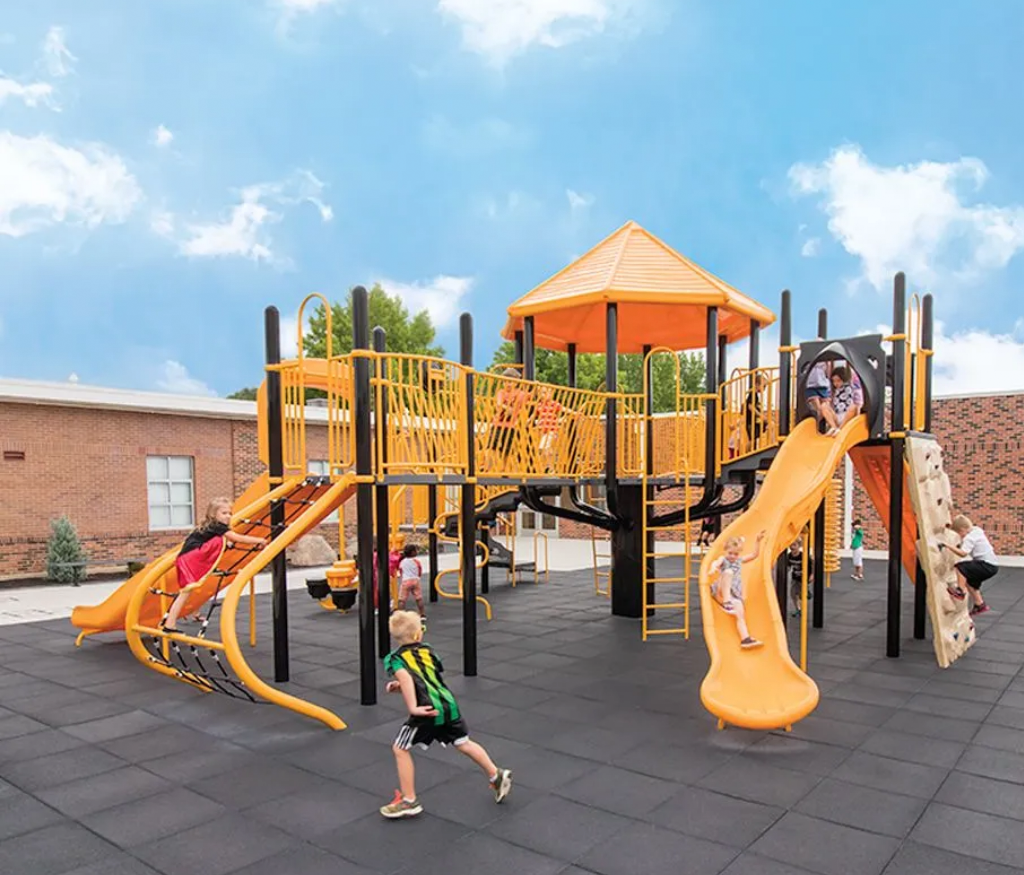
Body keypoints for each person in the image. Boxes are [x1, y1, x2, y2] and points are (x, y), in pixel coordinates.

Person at [380, 611, 513, 819]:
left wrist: (413, 707)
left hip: (427, 709)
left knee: (400, 748)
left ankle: (409, 800)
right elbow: (424, 677)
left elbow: (407, 679)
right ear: (418, 636)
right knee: (463, 743)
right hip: (448, 704)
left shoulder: (396, 659)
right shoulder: (428, 651)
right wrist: (402, 687)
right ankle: (495, 774)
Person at [161, 497, 268, 632]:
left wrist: (226, 543)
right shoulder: (217, 526)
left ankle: (171, 623)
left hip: (186, 558)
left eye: (230, 513)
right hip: (192, 559)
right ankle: (170, 624)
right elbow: (238, 538)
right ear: (213, 514)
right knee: (220, 540)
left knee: (186, 593)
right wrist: (259, 540)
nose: (228, 516)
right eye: (224, 513)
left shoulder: (209, 526)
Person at [709, 532, 766, 649]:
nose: (733, 556)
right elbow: (716, 562)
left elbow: (754, 555)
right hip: (720, 591)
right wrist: (713, 568)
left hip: (733, 595)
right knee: (728, 572)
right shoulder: (723, 559)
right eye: (730, 553)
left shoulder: (739, 560)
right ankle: (726, 603)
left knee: (740, 612)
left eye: (735, 554)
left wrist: (757, 541)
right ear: (726, 551)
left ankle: (745, 639)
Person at [940, 514, 998, 616]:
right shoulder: (977, 530)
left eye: (959, 533)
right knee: (970, 582)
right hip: (992, 565)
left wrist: (948, 546)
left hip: (986, 565)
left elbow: (963, 553)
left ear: (963, 529)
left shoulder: (969, 538)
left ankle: (960, 591)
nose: (960, 536)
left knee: (960, 567)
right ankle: (980, 604)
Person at [806, 359, 839, 436]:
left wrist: (831, 387)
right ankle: (816, 429)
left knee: (826, 407)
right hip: (810, 386)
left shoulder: (824, 360)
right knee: (819, 409)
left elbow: (829, 372)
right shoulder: (810, 357)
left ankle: (835, 427)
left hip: (823, 385)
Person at [396, 543, 426, 627]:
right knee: (418, 598)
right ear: (412, 552)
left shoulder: (402, 562)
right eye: (416, 550)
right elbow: (420, 570)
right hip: (415, 580)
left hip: (406, 581)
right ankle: (422, 615)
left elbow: (401, 571)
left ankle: (400, 616)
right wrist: (417, 577)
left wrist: (404, 577)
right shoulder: (416, 561)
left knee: (402, 599)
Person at [535, 386, 563, 471]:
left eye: (549, 393)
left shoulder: (554, 404)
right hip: (544, 432)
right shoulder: (539, 405)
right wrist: (528, 421)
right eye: (543, 393)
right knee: (544, 449)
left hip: (552, 430)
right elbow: (534, 415)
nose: (546, 395)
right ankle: (549, 466)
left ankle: (551, 468)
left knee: (544, 448)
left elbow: (564, 409)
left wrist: (574, 413)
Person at [743, 372, 769, 452]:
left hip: (753, 421)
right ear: (757, 385)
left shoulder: (755, 395)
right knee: (752, 439)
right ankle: (746, 453)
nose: (764, 389)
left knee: (765, 425)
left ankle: (750, 451)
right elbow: (750, 407)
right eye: (763, 386)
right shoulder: (753, 394)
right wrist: (760, 415)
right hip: (750, 422)